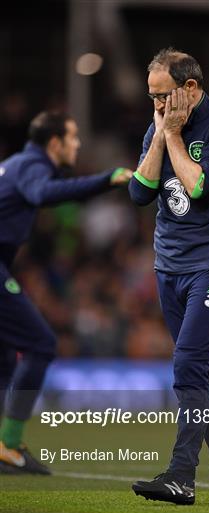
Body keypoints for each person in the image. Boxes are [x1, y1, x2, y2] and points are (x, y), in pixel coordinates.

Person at [129, 48, 209, 505]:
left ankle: (181, 476)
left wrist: (176, 137)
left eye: (163, 96)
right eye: (151, 97)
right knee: (207, 373)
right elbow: (139, 191)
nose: (157, 106)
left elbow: (200, 187)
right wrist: (162, 135)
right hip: (169, 267)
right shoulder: (158, 125)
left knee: (186, 365)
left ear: (191, 89)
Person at [0, 111, 132, 474]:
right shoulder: (32, 165)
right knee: (41, 345)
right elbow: (42, 194)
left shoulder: (14, 164)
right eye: (72, 138)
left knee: (5, 358)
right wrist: (109, 179)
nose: (77, 144)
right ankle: (7, 447)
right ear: (54, 143)